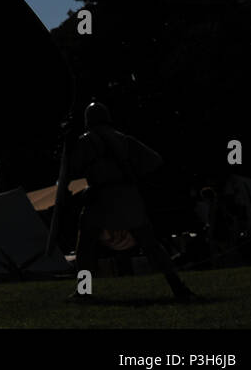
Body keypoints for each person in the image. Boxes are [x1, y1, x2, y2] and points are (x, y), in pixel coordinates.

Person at [70, 102, 195, 302]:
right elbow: (154, 160)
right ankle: (177, 286)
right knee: (151, 246)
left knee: (85, 248)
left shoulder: (86, 141)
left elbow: (74, 168)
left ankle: (84, 291)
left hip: (100, 198)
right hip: (128, 196)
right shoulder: (124, 139)